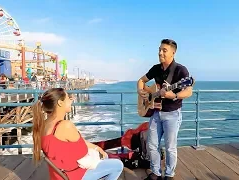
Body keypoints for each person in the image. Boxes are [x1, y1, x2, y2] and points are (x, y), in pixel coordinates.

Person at [32, 88, 123, 180]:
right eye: (68, 98)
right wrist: (96, 150)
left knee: (105, 157)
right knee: (118, 165)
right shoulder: (65, 125)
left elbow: (65, 146)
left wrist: (97, 147)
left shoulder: (41, 126)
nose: (72, 100)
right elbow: (83, 151)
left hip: (59, 174)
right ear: (60, 102)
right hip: (74, 175)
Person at [137, 39, 194, 180]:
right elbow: (141, 81)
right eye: (159, 49)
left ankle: (169, 175)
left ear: (173, 53)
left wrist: (173, 95)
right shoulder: (156, 68)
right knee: (151, 145)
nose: (160, 52)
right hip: (156, 113)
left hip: (172, 114)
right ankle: (155, 173)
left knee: (170, 147)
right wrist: (140, 91)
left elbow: (188, 91)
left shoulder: (181, 70)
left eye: (164, 50)